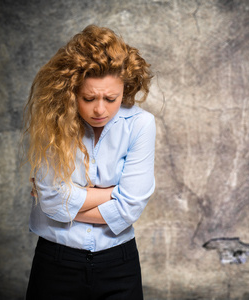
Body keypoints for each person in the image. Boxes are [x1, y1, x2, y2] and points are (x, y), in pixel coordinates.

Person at [23, 25, 155, 300]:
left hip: (120, 264)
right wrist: (111, 194)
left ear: (125, 90)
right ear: (72, 91)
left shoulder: (141, 124)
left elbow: (129, 209)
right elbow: (51, 201)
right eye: (88, 98)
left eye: (111, 99)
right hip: (55, 264)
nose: (99, 109)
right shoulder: (53, 122)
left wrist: (60, 206)